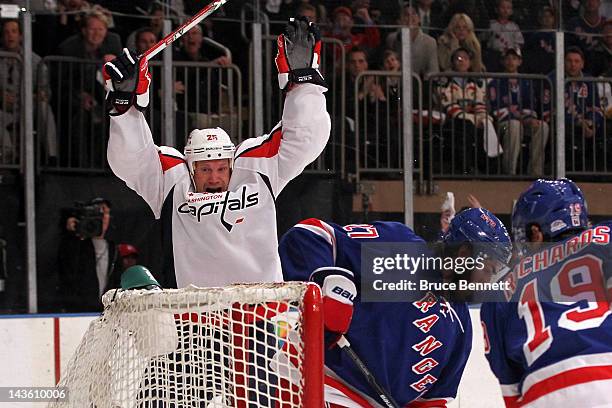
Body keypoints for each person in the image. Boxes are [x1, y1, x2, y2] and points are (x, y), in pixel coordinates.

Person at [103, 17, 330, 289]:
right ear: (190, 167)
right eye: (205, 169)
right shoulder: (172, 182)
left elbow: (304, 139)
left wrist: (302, 82)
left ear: (232, 164)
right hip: (196, 314)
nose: (214, 178)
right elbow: (130, 161)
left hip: (260, 310)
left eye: (221, 168)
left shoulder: (256, 168)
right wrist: (125, 106)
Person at [279, 218, 472, 407]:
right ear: (464, 255)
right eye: (489, 270)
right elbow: (311, 235)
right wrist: (328, 286)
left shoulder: (462, 325)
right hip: (313, 379)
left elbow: (433, 401)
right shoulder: (401, 249)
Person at [481, 178, 612, 407]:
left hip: (543, 390)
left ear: (536, 232)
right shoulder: (607, 237)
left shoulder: (499, 290)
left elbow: (511, 390)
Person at [488, 47, 549, 176]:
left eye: (514, 58)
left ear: (520, 61)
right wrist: (521, 118)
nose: (511, 61)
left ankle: (535, 172)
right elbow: (497, 110)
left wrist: (528, 118)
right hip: (503, 125)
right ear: (503, 61)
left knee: (543, 126)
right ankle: (509, 172)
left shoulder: (527, 82)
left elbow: (531, 106)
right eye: (508, 58)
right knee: (514, 125)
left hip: (525, 122)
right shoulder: (495, 82)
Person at [57, 197, 122, 312]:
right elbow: (67, 270)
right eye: (99, 212)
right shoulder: (76, 245)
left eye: (106, 213)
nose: (103, 217)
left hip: (106, 313)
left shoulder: (114, 249)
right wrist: (71, 234)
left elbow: (117, 282)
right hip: (78, 312)